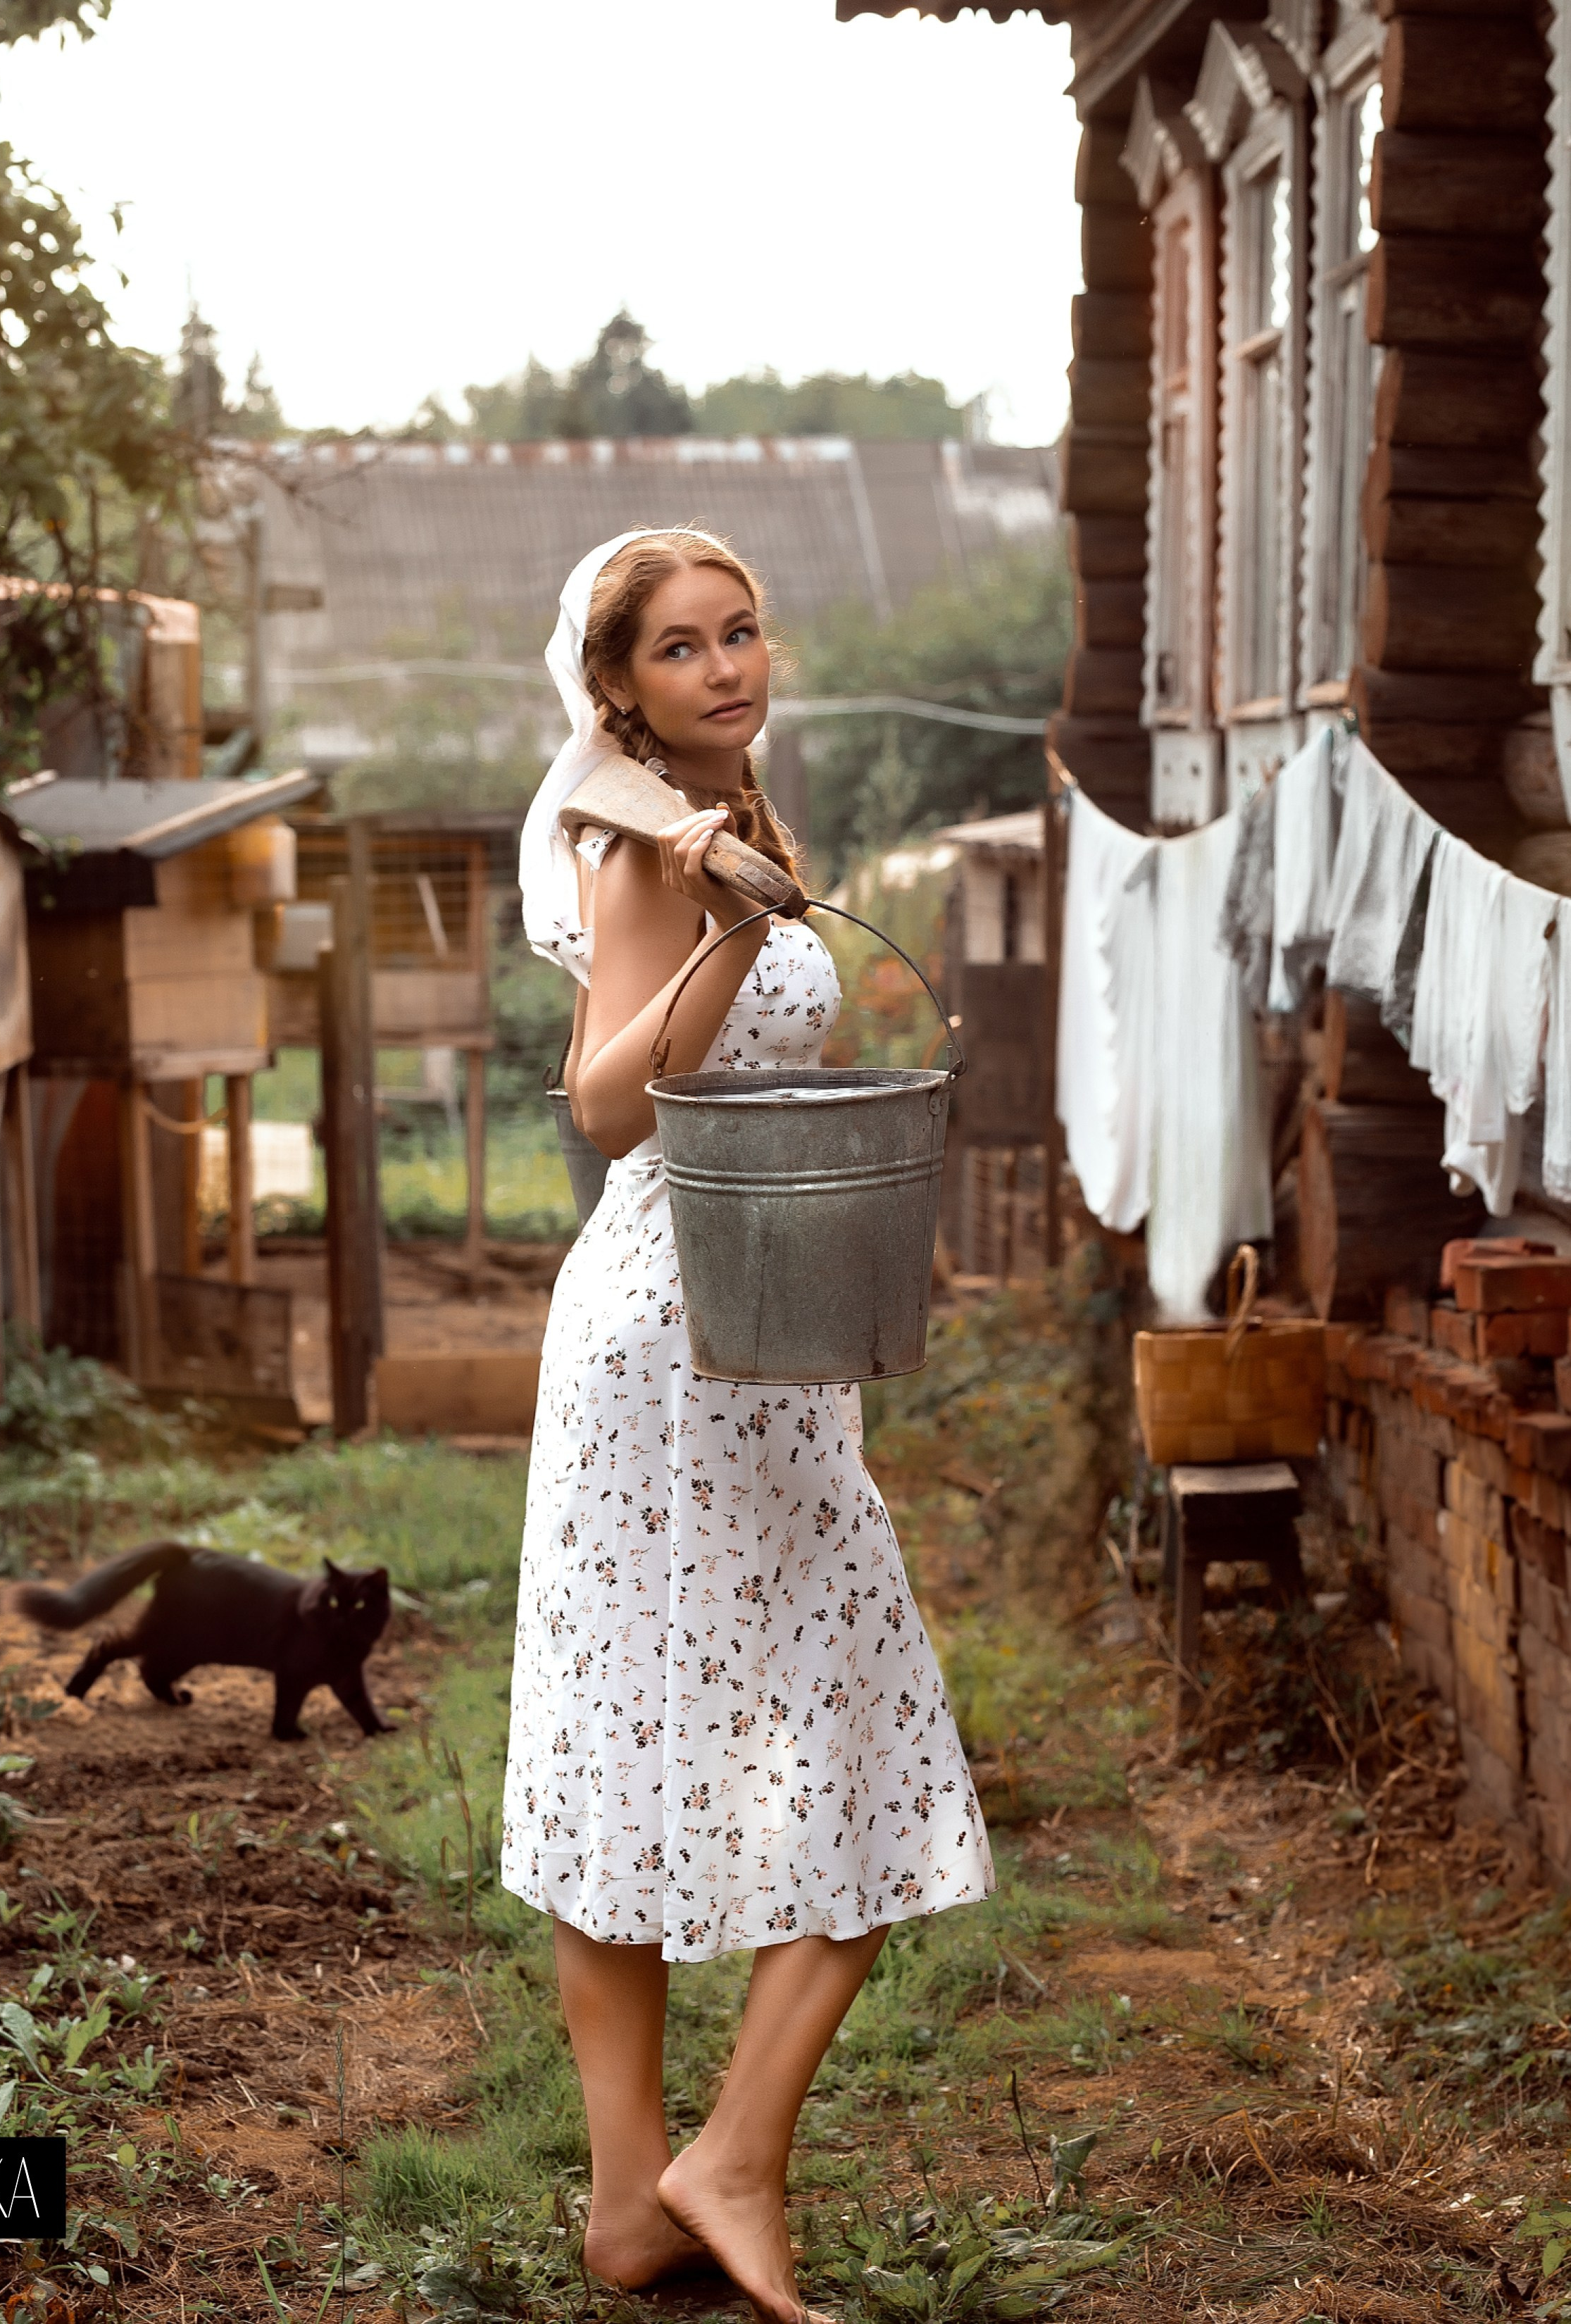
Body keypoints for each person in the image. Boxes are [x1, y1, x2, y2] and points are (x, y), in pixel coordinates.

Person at [502, 530, 992, 2324]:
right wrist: (718, 934)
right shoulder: (641, 842)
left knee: (843, 1730)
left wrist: (748, 903)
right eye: (684, 648)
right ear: (618, 684)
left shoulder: (745, 827)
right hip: (666, 1338)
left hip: (765, 1331)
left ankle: (680, 2182)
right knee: (699, 1732)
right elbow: (610, 1103)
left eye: (744, 633)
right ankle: (679, 2183)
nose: (727, 666)